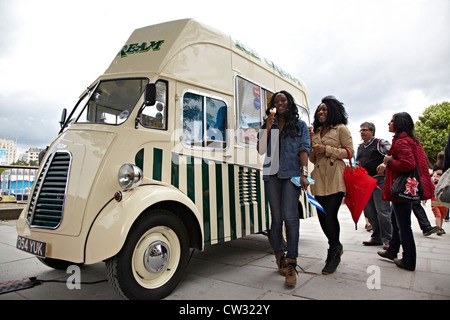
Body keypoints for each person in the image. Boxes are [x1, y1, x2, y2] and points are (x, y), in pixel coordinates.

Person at [257, 90, 310, 287]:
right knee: (276, 218)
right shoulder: (267, 124)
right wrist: (268, 129)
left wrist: (304, 173)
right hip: (271, 174)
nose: (279, 103)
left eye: (283, 100)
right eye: (276, 101)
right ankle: (279, 255)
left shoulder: (299, 125)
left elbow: (304, 149)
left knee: (290, 217)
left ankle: (292, 263)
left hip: (292, 175)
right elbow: (261, 149)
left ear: (289, 103)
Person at [378, 112, 434, 271]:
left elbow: (407, 164)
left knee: (404, 225)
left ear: (400, 124)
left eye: (392, 121)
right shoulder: (409, 140)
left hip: (401, 189)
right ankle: (392, 250)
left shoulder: (402, 142)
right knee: (395, 220)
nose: (389, 123)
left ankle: (408, 260)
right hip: (408, 187)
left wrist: (389, 162)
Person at [309, 95, 354, 275]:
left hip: (336, 177)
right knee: (321, 216)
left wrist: (326, 149)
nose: (321, 112)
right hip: (319, 178)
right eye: (319, 109)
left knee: (330, 216)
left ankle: (333, 251)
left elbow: (350, 153)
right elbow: (313, 158)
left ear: (333, 111)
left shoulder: (341, 129)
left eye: (325, 109)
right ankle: (336, 244)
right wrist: (313, 147)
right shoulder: (317, 131)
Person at [356, 122, 392, 249]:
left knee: (382, 211)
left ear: (372, 131)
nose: (362, 132)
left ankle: (388, 239)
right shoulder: (360, 147)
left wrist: (385, 164)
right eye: (360, 130)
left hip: (380, 180)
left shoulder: (380, 143)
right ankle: (376, 236)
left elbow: (393, 153)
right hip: (366, 182)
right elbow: (358, 163)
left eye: (364, 130)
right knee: (369, 211)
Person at [431, 169, 447, 235]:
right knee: (438, 215)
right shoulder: (432, 185)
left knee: (442, 217)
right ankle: (438, 229)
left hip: (443, 204)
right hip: (435, 204)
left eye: (437, 177)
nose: (435, 178)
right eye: (434, 176)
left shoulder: (445, 186)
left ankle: (440, 228)